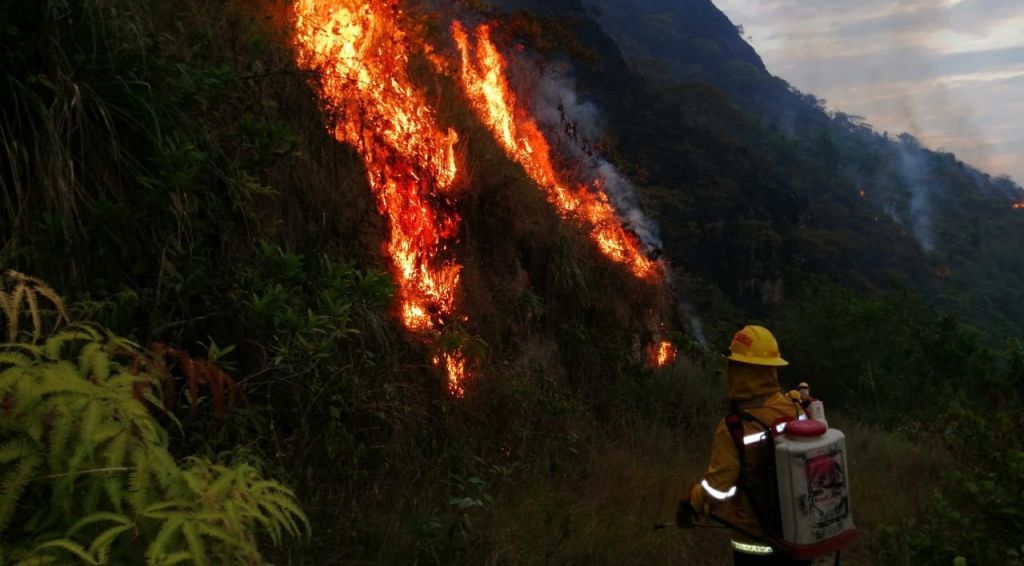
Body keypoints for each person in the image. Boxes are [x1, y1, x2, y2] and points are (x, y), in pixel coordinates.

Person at [677, 325, 810, 565]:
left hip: (754, 544)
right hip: (798, 538)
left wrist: (691, 501)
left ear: (738, 370)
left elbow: (718, 491)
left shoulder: (733, 428)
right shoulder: (795, 408)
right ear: (772, 369)